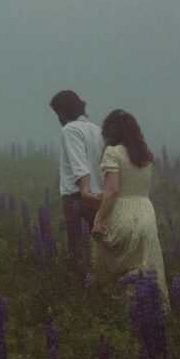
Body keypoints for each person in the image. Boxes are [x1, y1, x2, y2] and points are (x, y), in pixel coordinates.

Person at [91, 109, 169, 307]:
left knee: (111, 271)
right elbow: (132, 188)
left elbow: (113, 190)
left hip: (121, 216)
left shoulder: (113, 152)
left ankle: (117, 313)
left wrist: (98, 219)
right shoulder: (144, 156)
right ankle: (149, 311)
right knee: (145, 267)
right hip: (145, 215)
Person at [49, 90, 104, 261]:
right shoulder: (97, 129)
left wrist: (84, 190)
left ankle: (80, 284)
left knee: (77, 250)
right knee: (102, 248)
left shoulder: (70, 130)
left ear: (62, 112)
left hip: (78, 198)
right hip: (101, 197)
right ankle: (103, 282)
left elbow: (79, 164)